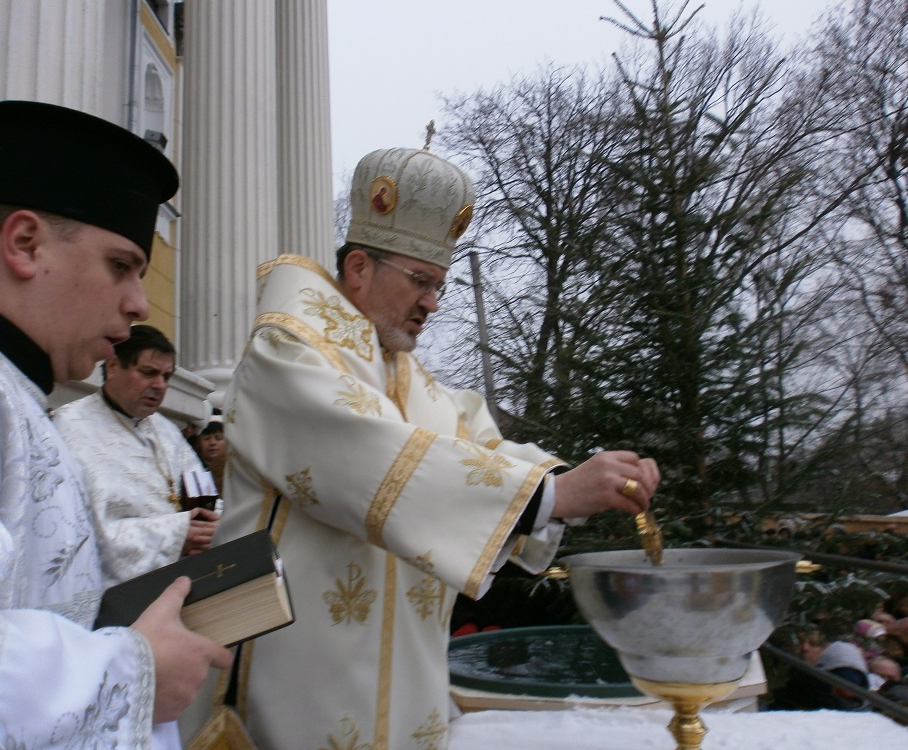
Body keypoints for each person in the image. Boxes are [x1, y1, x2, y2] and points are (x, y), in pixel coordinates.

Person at [213, 144, 659, 749]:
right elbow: (369, 454)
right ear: (360, 268)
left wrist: (580, 483)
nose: (433, 303)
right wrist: (550, 495)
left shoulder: (419, 386)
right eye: (419, 280)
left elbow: (483, 453)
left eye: (439, 285)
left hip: (403, 685)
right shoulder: (288, 351)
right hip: (295, 674)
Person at [0, 100, 232, 748]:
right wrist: (133, 672)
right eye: (121, 265)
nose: (139, 302)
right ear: (25, 244)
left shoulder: (5, 389)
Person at [52, 324, 221, 586]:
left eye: (167, 376)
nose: (160, 385)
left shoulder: (166, 430)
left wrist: (210, 524)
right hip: (119, 598)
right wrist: (177, 533)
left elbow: (203, 491)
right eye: (148, 373)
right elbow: (81, 535)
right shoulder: (69, 429)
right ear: (112, 367)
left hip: (185, 577)